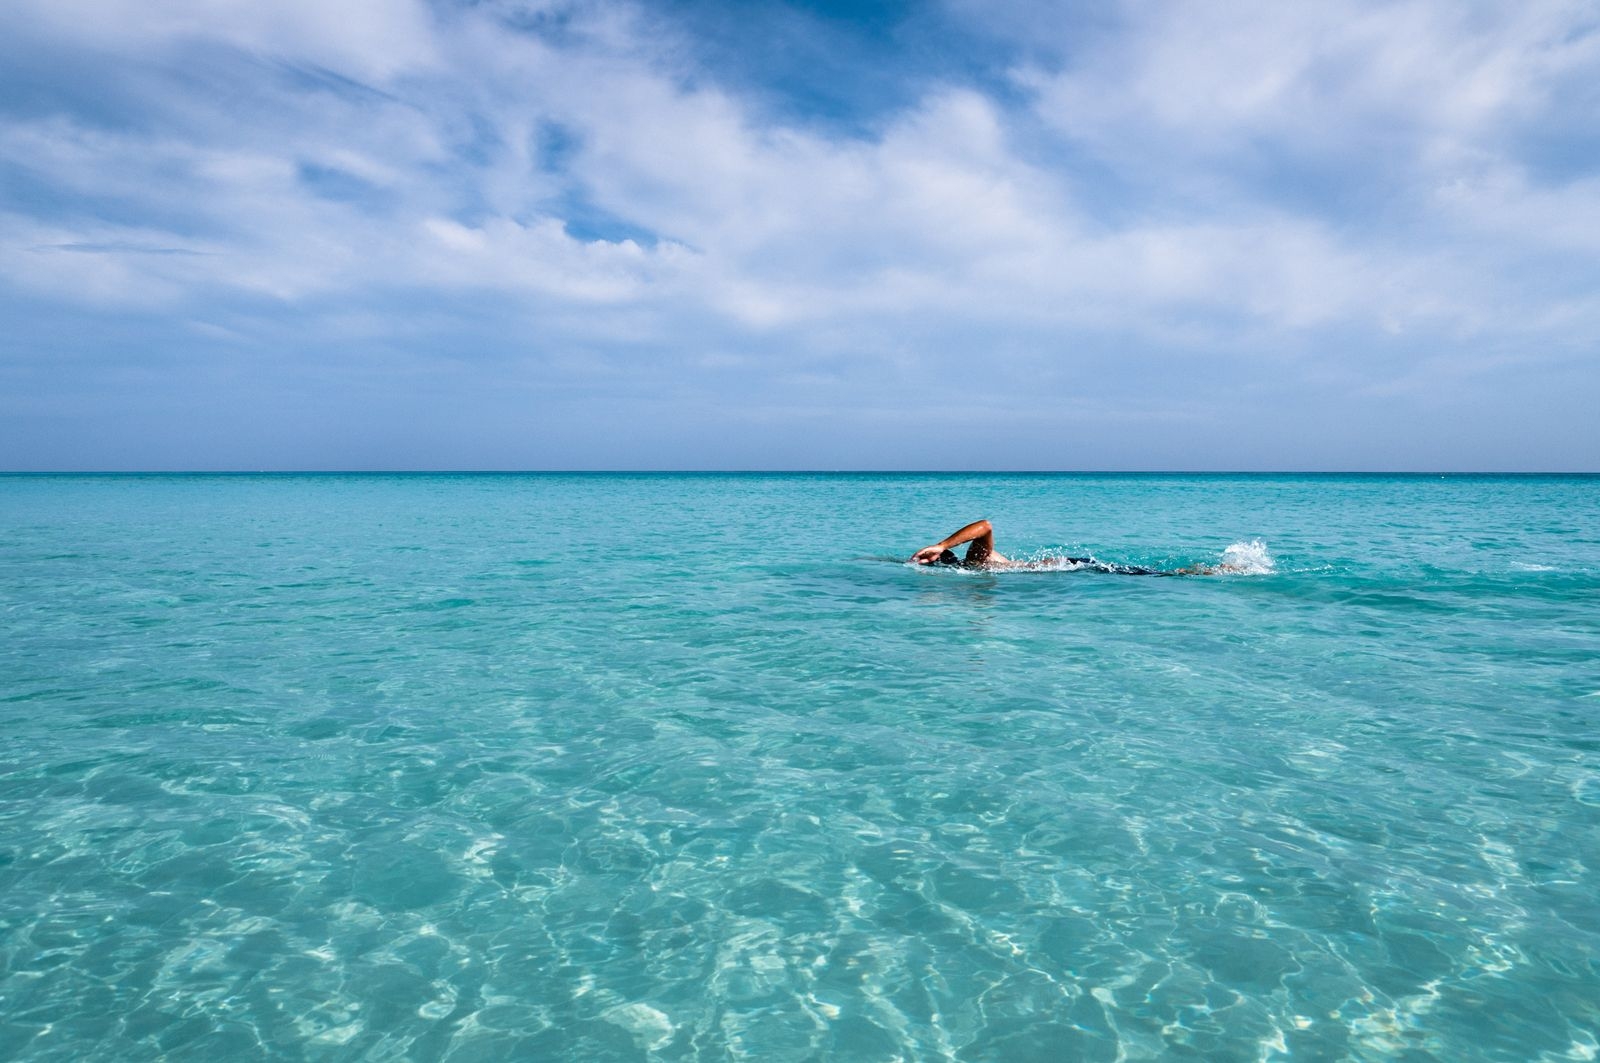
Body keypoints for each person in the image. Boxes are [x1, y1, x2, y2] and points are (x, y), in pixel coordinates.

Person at [909, 519, 1224, 575]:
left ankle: (1202, 573)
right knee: (1146, 574)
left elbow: (985, 526)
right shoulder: (975, 564)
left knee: (1151, 576)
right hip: (1071, 565)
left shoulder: (975, 562)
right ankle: (1201, 573)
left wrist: (940, 544)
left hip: (1072, 565)